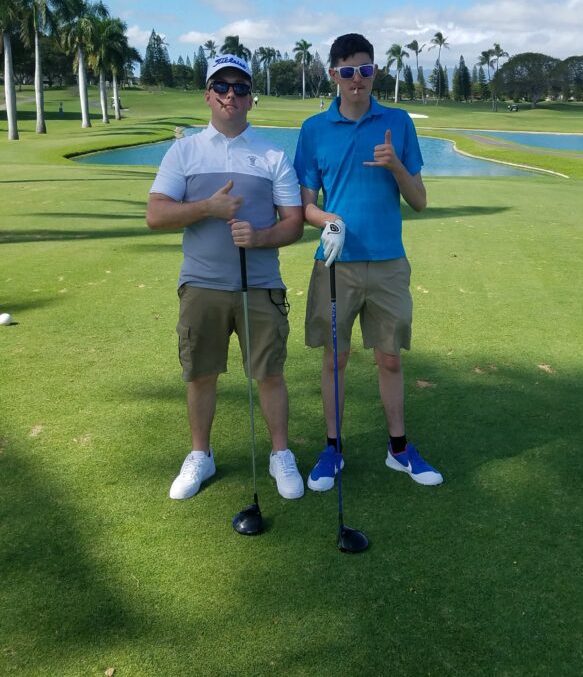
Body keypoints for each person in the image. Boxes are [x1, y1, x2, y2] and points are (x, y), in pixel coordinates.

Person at [146, 54, 305, 501]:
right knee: (201, 374)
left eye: (240, 87)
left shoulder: (273, 155)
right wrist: (206, 208)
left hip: (261, 286)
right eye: (222, 86)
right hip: (202, 284)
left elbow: (293, 222)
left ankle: (280, 454)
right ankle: (201, 454)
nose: (230, 95)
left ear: (251, 98)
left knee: (269, 373)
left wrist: (259, 237)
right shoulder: (184, 152)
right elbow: (156, 214)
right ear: (208, 96)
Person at [293, 33, 443, 491]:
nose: (356, 80)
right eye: (346, 71)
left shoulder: (397, 123)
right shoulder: (314, 130)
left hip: (388, 262)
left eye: (364, 70)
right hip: (336, 263)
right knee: (334, 360)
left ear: (374, 72)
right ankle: (332, 449)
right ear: (333, 75)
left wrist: (397, 165)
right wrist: (329, 222)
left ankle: (399, 450)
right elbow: (305, 208)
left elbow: (418, 201)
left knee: (390, 359)